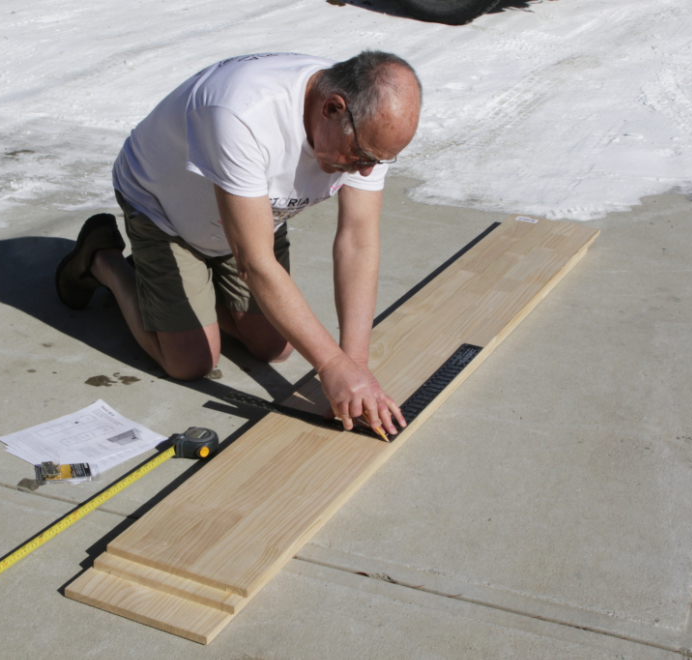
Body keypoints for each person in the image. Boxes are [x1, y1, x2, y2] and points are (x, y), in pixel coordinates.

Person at [56, 50, 421, 436]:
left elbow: (358, 241)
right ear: (332, 108)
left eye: (379, 162)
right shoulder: (244, 112)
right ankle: (105, 261)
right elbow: (255, 261)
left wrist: (355, 364)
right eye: (362, 156)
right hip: (165, 209)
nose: (365, 171)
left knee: (275, 346)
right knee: (191, 361)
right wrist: (332, 366)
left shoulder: (365, 124)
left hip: (249, 218)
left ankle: (188, 293)